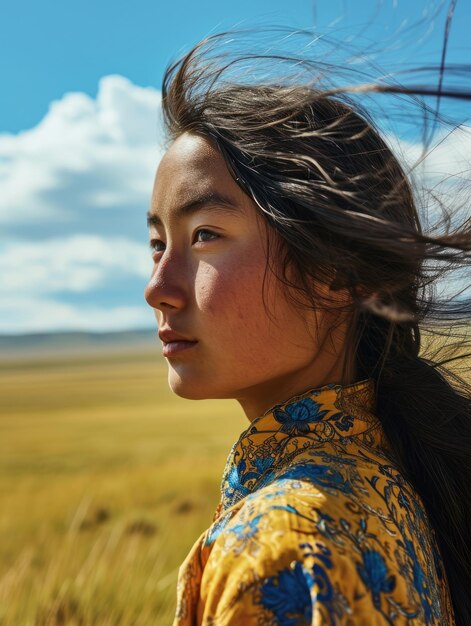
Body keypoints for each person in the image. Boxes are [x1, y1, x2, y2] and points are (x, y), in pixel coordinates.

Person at [144, 26, 470, 626]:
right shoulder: (390, 477)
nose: (157, 288)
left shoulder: (280, 551)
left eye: (205, 236)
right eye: (157, 245)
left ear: (336, 270)